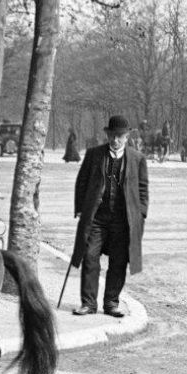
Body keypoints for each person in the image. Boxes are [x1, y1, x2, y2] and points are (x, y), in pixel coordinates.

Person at [71, 114, 148, 318]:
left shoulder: (137, 159)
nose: (115, 140)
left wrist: (141, 213)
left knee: (119, 262)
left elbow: (142, 189)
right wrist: (80, 208)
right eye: (112, 136)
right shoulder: (94, 154)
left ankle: (111, 303)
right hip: (96, 218)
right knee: (89, 258)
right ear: (108, 135)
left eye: (120, 136)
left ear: (127, 137)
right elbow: (82, 182)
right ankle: (88, 303)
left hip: (123, 221)